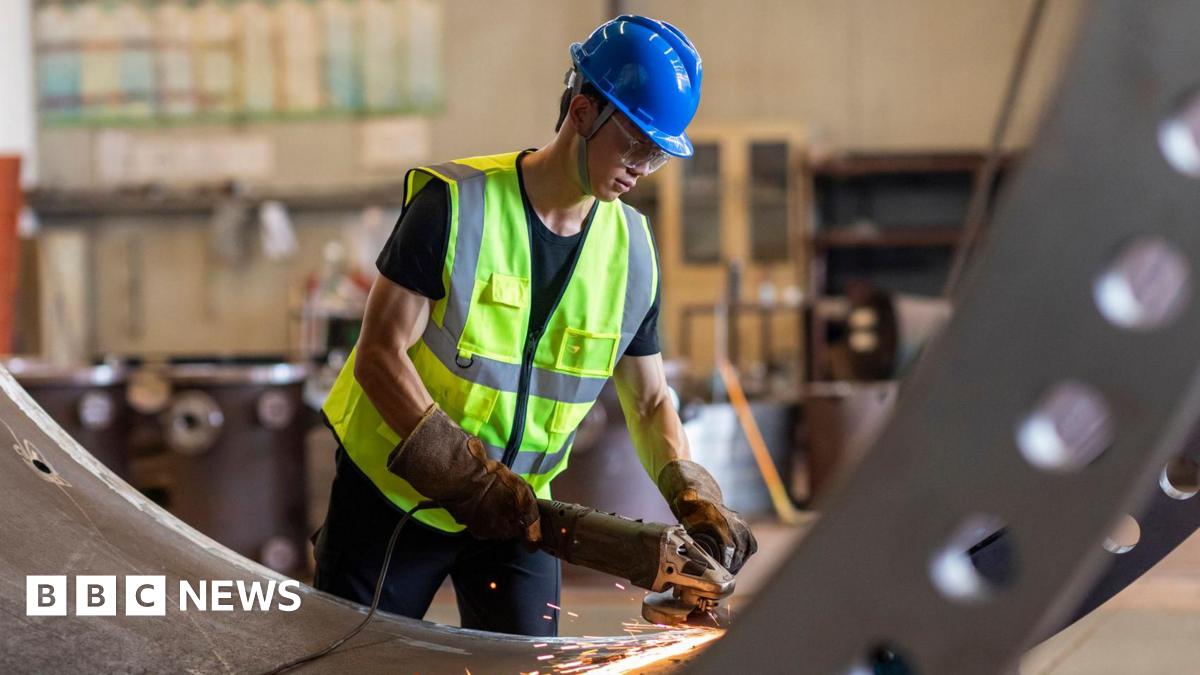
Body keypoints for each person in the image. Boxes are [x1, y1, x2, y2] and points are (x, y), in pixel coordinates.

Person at [312, 14, 756, 637]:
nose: (642, 168)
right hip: (395, 498)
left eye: (657, 154)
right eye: (633, 144)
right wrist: (462, 476)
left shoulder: (631, 250)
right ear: (581, 112)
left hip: (518, 512)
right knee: (351, 659)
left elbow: (651, 399)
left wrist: (692, 493)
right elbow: (379, 354)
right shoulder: (455, 205)